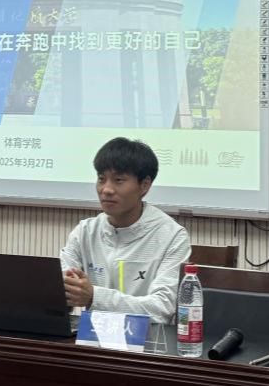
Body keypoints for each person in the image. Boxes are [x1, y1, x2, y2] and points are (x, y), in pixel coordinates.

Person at [60, 137, 191, 324]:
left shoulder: (172, 236)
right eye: (101, 179)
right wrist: (67, 290)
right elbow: (61, 287)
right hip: (91, 336)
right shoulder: (85, 231)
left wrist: (94, 296)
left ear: (144, 185)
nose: (106, 189)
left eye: (118, 180)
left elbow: (162, 309)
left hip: (147, 338)